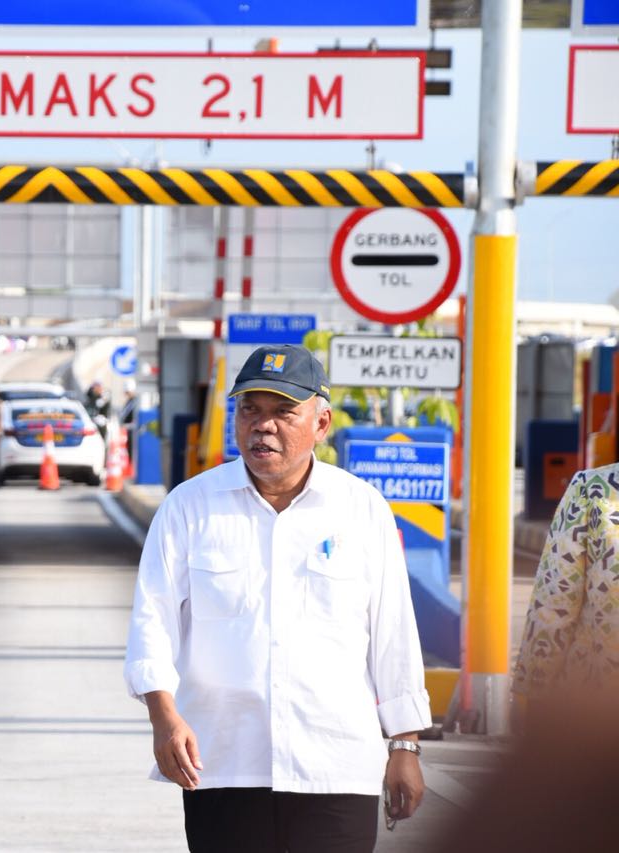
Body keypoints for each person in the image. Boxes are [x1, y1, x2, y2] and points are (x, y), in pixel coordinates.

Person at [124, 344, 429, 853]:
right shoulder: (189, 508)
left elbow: (393, 634)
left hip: (336, 766)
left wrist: (405, 745)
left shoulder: (362, 510)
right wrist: (164, 718)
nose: (262, 426)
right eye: (250, 410)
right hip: (222, 762)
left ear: (321, 422)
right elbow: (151, 622)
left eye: (283, 412)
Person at [512, 464, 619, 706]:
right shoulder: (589, 490)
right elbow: (553, 603)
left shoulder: (591, 489)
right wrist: (531, 693)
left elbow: (553, 606)